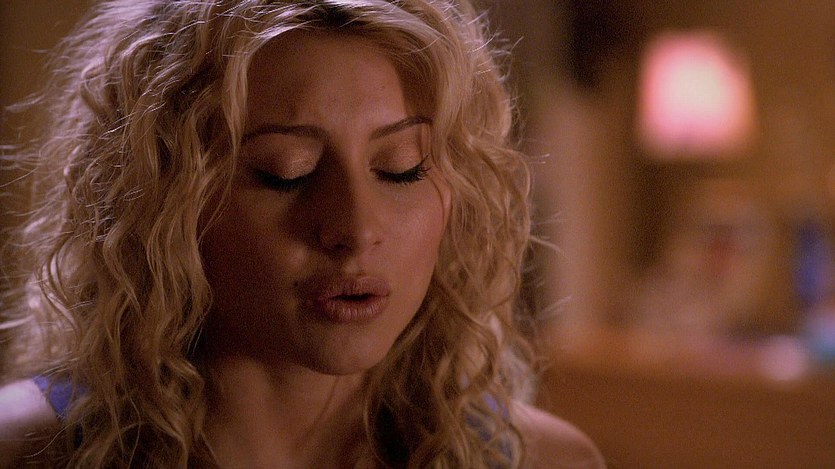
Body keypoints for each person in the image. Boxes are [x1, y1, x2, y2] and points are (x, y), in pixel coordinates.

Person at [0, 0, 605, 467]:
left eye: (401, 168)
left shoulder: (545, 461)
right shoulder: (28, 452)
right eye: (286, 173)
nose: (356, 230)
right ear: (163, 200)